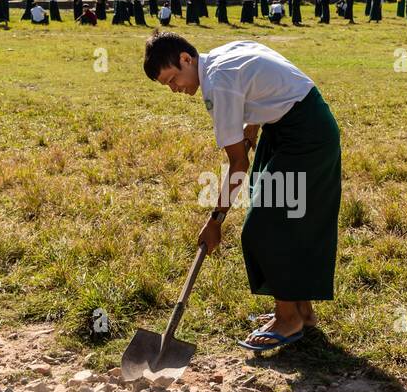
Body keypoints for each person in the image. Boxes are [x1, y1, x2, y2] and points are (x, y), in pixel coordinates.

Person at [143, 33, 341, 354]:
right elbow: (263, 72)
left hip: (305, 135)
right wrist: (254, 121)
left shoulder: (217, 85)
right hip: (293, 122)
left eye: (173, 79)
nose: (175, 89)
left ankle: (286, 318)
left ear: (185, 58)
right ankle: (301, 312)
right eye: (167, 86)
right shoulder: (222, 56)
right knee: (286, 218)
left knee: (264, 227)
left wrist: (215, 221)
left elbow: (238, 164)